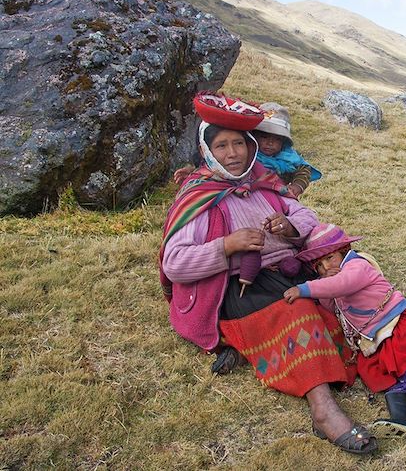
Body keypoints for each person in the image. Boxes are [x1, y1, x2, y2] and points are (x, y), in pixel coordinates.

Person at [159, 119, 377, 455]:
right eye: (222, 146)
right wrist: (226, 246)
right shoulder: (198, 196)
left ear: (251, 146)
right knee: (298, 310)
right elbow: (175, 263)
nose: (232, 153)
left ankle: (246, 347)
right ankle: (323, 410)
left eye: (239, 144)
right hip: (241, 285)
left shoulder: (263, 181)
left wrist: (289, 226)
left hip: (289, 269)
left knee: (343, 291)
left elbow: (306, 217)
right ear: (207, 152)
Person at [283, 223, 406, 439]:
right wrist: (324, 285)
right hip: (373, 336)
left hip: (396, 323)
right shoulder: (332, 281)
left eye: (330, 258)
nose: (325, 267)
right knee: (383, 373)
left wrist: (305, 289)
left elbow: (343, 284)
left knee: (402, 363)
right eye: (318, 265)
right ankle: (401, 418)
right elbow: (332, 304)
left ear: (344, 252)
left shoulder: (357, 265)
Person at [173, 102, 320, 198]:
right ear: (253, 138)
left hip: (276, 197)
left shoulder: (289, 158)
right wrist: (194, 171)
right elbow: (215, 167)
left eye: (276, 139)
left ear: (284, 142)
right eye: (264, 137)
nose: (270, 143)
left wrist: (296, 186)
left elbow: (303, 170)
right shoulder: (246, 155)